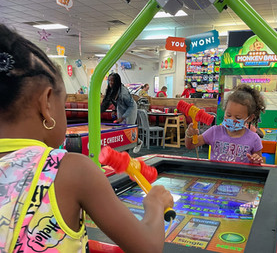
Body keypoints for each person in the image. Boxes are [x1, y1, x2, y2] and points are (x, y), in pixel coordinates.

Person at [0, 25, 174, 252]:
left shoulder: (122, 91)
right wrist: (155, 203)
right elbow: (147, 247)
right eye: (62, 105)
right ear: (47, 104)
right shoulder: (71, 170)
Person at [185, 84, 266, 164]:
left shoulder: (254, 139)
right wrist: (189, 134)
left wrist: (256, 161)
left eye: (238, 118)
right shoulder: (214, 131)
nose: (231, 119)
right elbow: (191, 145)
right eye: (228, 115)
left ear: (250, 118)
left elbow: (260, 162)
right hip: (216, 175)